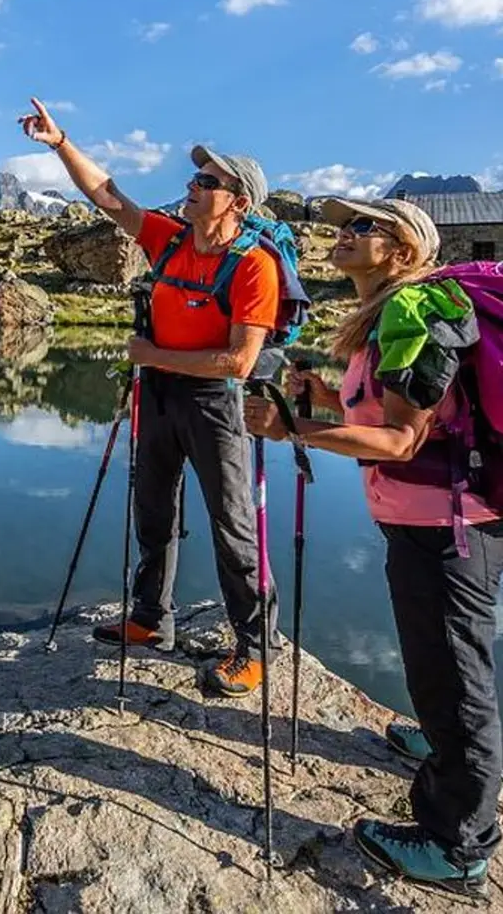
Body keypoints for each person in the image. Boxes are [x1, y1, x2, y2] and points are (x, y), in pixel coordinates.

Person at [245, 196, 497, 895]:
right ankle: (443, 741)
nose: (344, 234)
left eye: (363, 226)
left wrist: (290, 431)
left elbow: (400, 440)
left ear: (403, 247)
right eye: (343, 224)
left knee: (453, 668)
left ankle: (458, 844)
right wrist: (322, 399)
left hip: (444, 525)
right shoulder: (385, 317)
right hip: (442, 515)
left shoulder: (410, 312)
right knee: (446, 658)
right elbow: (385, 416)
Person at [19, 97, 282, 696]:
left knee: (233, 524)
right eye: (193, 177)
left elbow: (239, 361)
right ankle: (149, 620)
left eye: (206, 181)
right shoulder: (167, 240)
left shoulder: (254, 267)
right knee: (154, 511)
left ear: (238, 201)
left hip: (215, 401)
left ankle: (254, 647)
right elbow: (109, 197)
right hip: (159, 396)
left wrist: (150, 355)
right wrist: (61, 143)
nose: (190, 186)